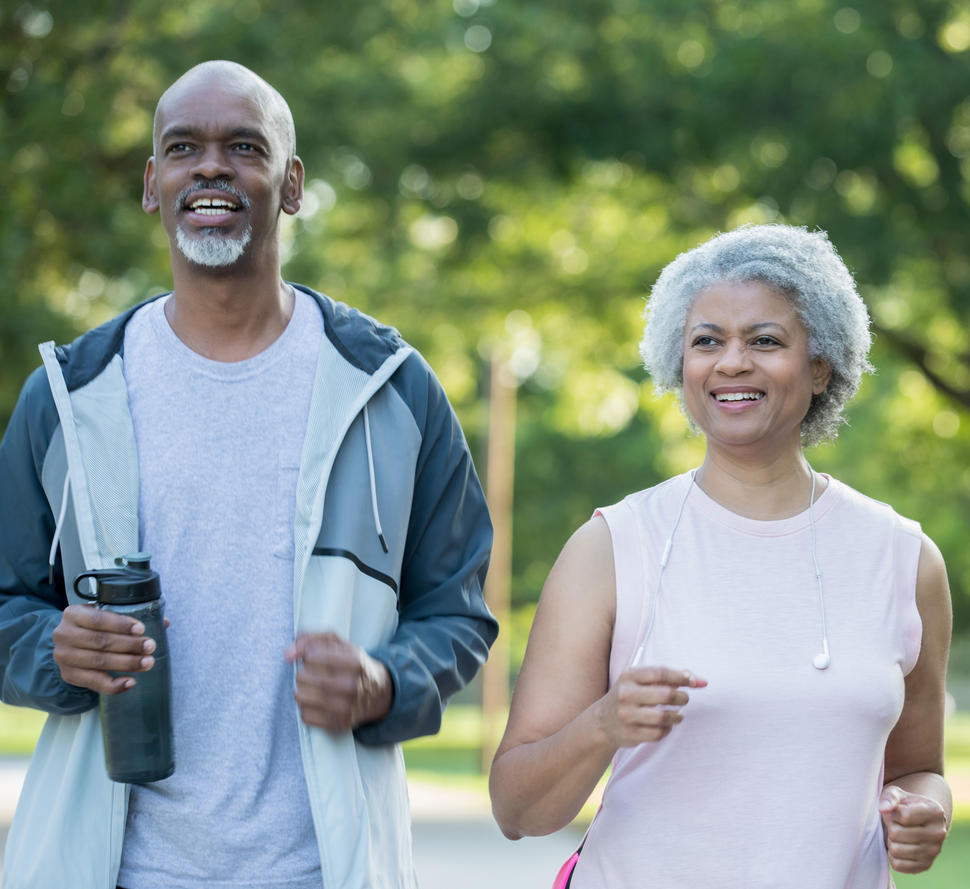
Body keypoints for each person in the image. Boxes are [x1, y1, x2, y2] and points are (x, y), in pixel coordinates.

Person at [0, 60, 496, 889]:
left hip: (322, 867)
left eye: (244, 146)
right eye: (183, 147)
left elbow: (458, 608)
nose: (211, 167)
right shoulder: (68, 395)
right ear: (153, 183)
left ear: (291, 184)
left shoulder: (393, 389)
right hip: (111, 867)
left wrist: (385, 681)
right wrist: (51, 646)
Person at [489, 225, 952, 888]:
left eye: (765, 340)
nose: (732, 363)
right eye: (707, 341)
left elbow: (917, 768)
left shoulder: (905, 559)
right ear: (680, 364)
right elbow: (516, 809)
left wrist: (923, 809)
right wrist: (603, 724)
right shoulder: (612, 548)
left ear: (821, 364)